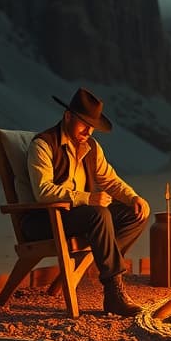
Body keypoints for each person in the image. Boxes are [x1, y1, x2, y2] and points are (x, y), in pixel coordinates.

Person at [22, 87, 151, 316]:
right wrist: (88, 198)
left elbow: (110, 179)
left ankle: (109, 270)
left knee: (134, 213)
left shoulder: (91, 147)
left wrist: (134, 197)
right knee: (99, 214)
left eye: (93, 126)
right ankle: (114, 292)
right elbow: (43, 191)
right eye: (84, 123)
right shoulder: (42, 145)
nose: (89, 131)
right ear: (68, 116)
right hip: (45, 220)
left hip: (79, 218)